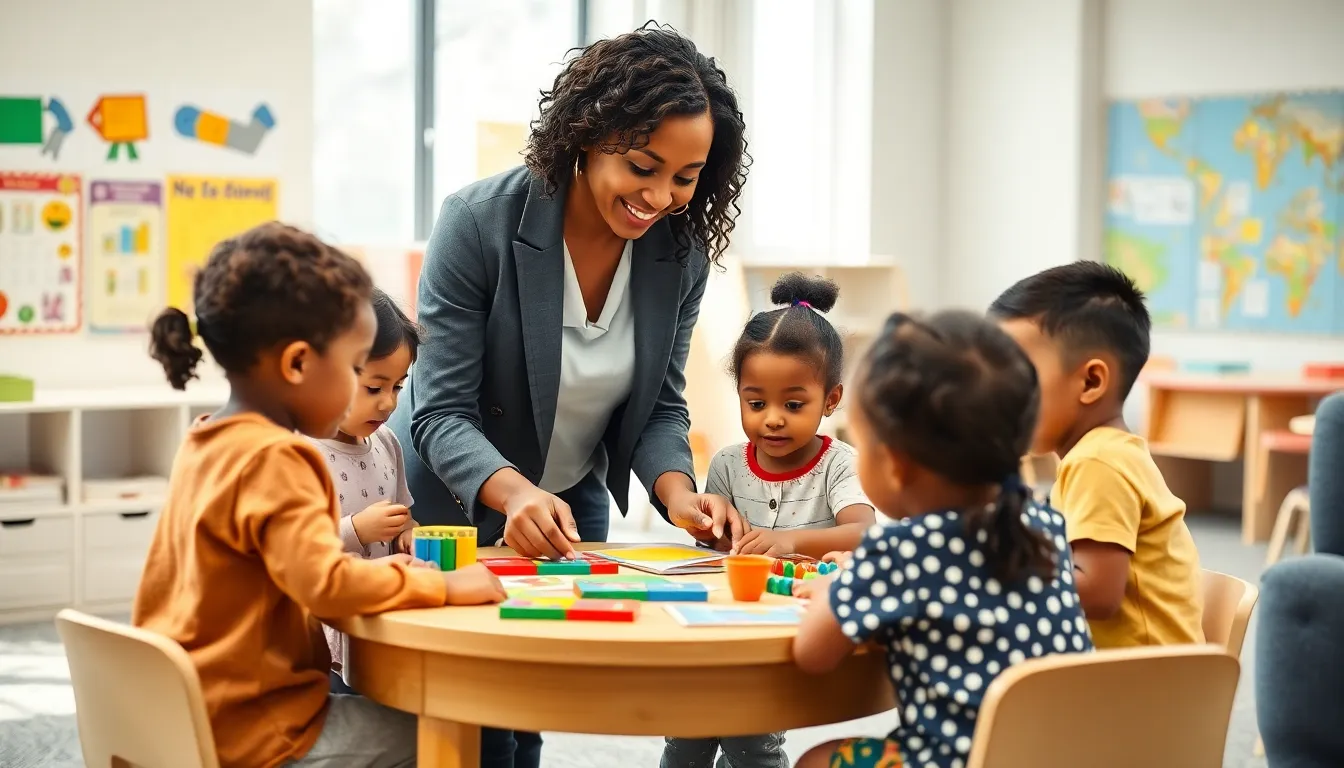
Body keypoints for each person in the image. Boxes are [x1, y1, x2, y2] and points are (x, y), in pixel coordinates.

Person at [389, 25, 752, 768]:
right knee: (475, 715)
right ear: (587, 135)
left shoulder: (677, 256)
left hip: (568, 500)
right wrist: (513, 493)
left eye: (686, 177)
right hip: (452, 504)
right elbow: (440, 409)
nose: (659, 196)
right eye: (643, 166)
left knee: (530, 707)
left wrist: (680, 497)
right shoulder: (479, 223)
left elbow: (658, 407)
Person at [136, 223, 507, 768]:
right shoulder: (280, 458)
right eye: (355, 367)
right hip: (255, 727)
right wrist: (438, 584)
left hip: (181, 710)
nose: (376, 397)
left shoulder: (204, 440)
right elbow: (328, 584)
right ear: (298, 364)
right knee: (447, 739)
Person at [791, 310, 1093, 768]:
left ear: (895, 464)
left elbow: (812, 656)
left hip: (956, 761)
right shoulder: (1045, 527)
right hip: (1059, 756)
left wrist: (835, 590)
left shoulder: (897, 552)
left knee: (816, 759)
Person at [662, 273, 874, 768]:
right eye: (756, 403)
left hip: (782, 631)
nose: (772, 418)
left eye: (793, 405)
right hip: (714, 625)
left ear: (832, 399)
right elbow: (712, 546)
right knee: (686, 737)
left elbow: (865, 533)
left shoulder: (839, 463)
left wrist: (785, 540)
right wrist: (709, 526)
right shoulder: (729, 463)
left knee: (752, 740)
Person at [990, 262, 1204, 647]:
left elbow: (1098, 593)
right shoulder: (1105, 453)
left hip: (1141, 690)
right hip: (1135, 680)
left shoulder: (1097, 461)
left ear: (1090, 381)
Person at [308, 288, 423, 696]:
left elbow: (402, 515)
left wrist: (408, 530)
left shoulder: (389, 443)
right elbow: (300, 551)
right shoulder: (302, 453)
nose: (389, 403)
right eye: (374, 389)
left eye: (397, 387)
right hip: (329, 635)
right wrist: (356, 529)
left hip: (384, 618)